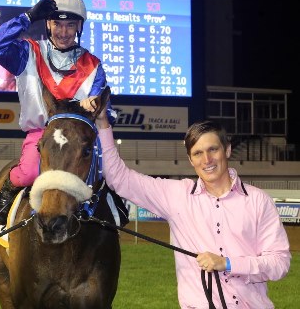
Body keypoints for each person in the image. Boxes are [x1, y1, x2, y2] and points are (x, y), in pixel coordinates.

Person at [94, 109, 291, 308]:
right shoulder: (176, 195)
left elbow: (279, 264)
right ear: (190, 160)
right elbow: (118, 177)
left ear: (227, 150)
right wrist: (103, 124)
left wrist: (228, 263)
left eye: (213, 149)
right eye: (198, 153)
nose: (207, 160)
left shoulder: (259, 201)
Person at [0, 0, 118, 226]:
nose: (63, 32)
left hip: (80, 140)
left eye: (70, 25)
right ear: (47, 23)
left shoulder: (93, 65)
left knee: (112, 176)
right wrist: (27, 17)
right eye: (57, 24)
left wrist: (94, 105)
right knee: (28, 173)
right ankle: (6, 194)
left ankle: (116, 214)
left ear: (79, 27)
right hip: (41, 134)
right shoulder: (27, 52)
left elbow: (110, 112)